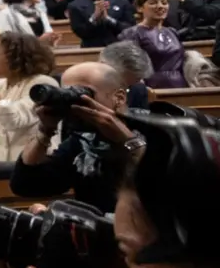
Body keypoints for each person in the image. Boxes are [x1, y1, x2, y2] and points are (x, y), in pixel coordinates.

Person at [10, 61, 145, 215]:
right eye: (67, 94)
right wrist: (45, 130)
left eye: (84, 94)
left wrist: (126, 140)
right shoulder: (83, 139)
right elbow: (26, 185)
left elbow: (165, 185)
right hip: (99, 228)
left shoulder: (155, 128)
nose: (75, 103)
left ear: (119, 98)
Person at [0, 33, 59, 162]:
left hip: (36, 163)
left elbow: (13, 120)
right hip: (2, 164)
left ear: (16, 56)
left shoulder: (43, 84)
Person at [118, 0, 186, 89]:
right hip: (152, 86)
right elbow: (130, 66)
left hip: (179, 85)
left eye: (164, 3)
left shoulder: (172, 31)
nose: (160, 6)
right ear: (140, 8)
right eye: (153, 3)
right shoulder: (132, 33)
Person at [68, 0, 135, 48]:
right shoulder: (74, 6)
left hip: (121, 46)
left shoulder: (121, 1)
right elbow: (81, 32)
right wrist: (94, 17)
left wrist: (108, 19)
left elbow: (130, 28)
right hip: (93, 48)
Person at [100, 40, 152, 109]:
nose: (123, 91)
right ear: (103, 65)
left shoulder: (138, 89)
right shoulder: (87, 88)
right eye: (122, 84)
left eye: (129, 86)